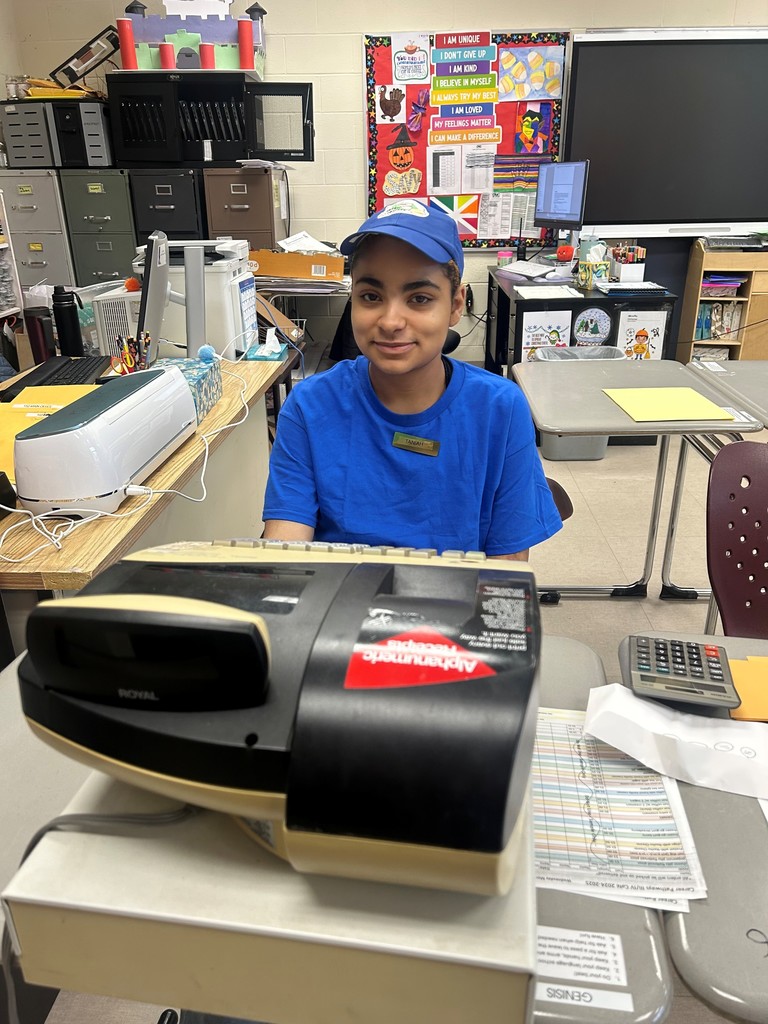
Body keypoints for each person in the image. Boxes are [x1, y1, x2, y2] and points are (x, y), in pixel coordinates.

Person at [262, 198, 562, 560]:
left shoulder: (500, 409)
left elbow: (507, 571)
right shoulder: (310, 407)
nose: (390, 321)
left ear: (455, 305)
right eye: (371, 296)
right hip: (343, 602)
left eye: (419, 298)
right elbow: (287, 554)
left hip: (454, 606)